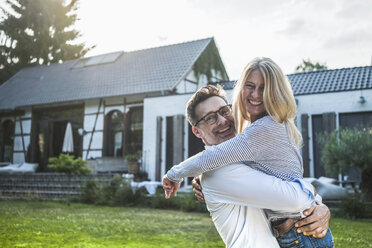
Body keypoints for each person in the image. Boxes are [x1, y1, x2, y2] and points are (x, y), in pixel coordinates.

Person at [163, 57, 334, 247]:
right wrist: (313, 197)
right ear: (196, 131)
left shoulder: (256, 137)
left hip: (301, 234)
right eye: (210, 118)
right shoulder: (220, 171)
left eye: (224, 111)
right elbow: (297, 200)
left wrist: (320, 206)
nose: (222, 121)